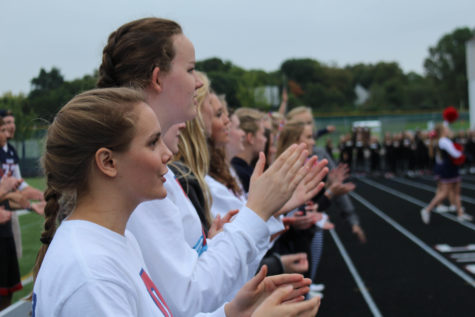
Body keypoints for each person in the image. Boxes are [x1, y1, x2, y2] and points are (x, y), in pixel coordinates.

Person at [97, 17, 323, 316]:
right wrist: (258, 211)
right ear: (157, 79)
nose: (199, 82)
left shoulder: (150, 170)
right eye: (190, 69)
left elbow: (191, 284)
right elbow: (189, 297)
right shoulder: (137, 176)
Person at [420, 123, 473, 224]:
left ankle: (460, 213)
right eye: (446, 128)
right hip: (448, 169)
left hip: (451, 168)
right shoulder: (443, 141)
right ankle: (427, 210)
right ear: (443, 131)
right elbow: (455, 153)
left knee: (457, 192)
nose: (448, 130)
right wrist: (462, 152)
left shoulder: (443, 140)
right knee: (444, 193)